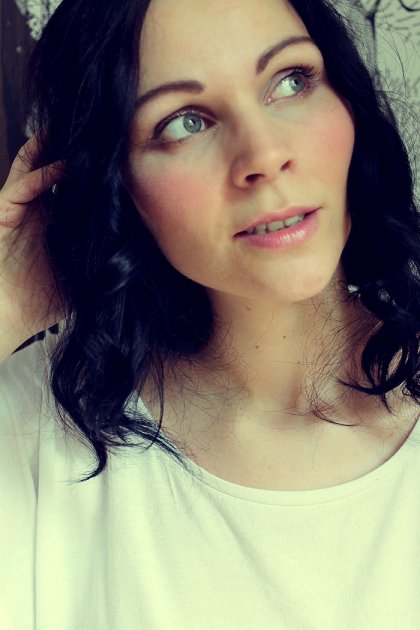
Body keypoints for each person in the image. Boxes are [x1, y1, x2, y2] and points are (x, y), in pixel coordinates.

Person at [0, 0, 419, 627]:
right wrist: (6, 302)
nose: (265, 154)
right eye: (185, 122)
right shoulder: (38, 427)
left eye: (291, 80)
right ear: (114, 180)